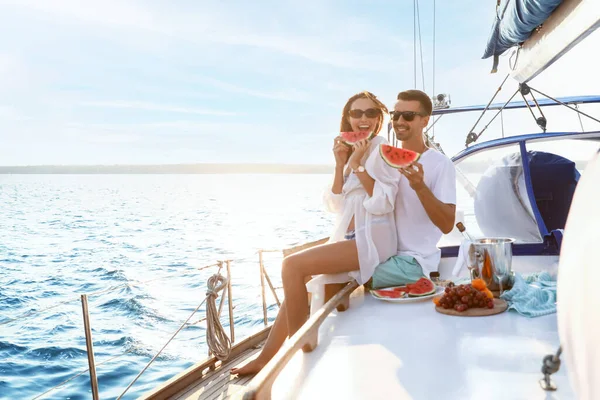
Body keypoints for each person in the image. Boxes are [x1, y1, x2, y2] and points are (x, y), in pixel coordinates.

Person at [231, 90, 400, 375]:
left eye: (371, 113)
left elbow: (384, 202)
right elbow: (335, 203)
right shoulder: (350, 152)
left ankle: (297, 345)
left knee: (292, 265)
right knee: (298, 279)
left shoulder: (382, 150)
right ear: (347, 118)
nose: (363, 119)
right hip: (349, 238)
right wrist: (340, 164)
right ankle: (266, 357)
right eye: (356, 113)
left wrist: (358, 166)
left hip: (373, 238)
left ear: (379, 119)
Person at [367, 89, 456, 290]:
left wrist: (420, 186)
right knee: (315, 268)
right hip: (381, 252)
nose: (399, 121)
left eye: (408, 116)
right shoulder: (381, 159)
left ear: (425, 121)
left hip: (414, 262)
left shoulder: (440, 164)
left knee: (342, 276)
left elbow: (447, 224)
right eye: (395, 115)